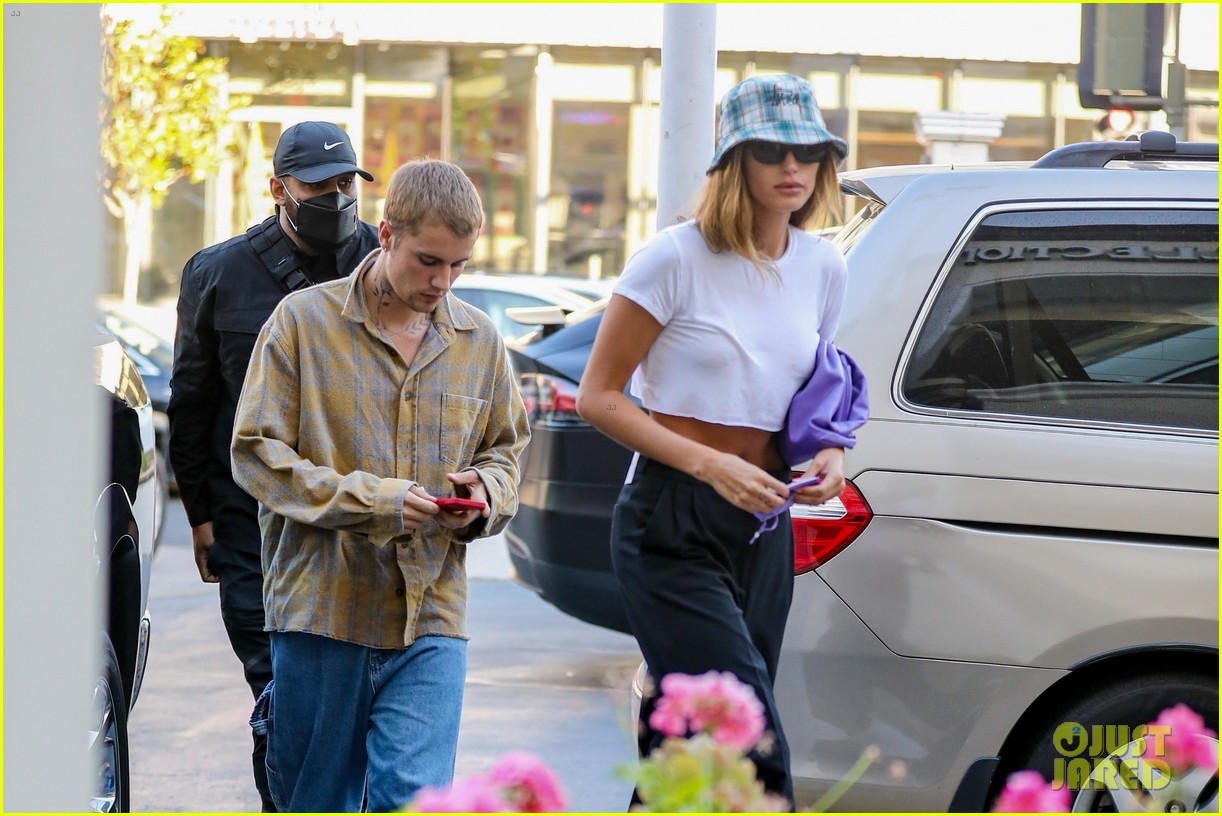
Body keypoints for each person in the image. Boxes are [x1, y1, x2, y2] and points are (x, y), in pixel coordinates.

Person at [574, 73, 851, 807]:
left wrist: (831, 454)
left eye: (810, 152)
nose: (793, 168)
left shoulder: (824, 266)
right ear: (736, 162)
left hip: (764, 524)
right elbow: (598, 397)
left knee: (686, 751)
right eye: (770, 151)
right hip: (670, 523)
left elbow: (818, 395)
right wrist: (709, 464)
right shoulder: (674, 258)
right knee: (745, 739)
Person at [230, 158, 530, 813]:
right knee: (315, 802)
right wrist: (376, 503)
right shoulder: (301, 324)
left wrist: (484, 496)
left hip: (432, 616)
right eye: (429, 261)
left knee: (414, 801)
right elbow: (255, 455)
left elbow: (507, 451)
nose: (443, 281)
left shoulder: (480, 340)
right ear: (386, 233)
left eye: (459, 266)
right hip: (321, 612)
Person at [167, 120, 380, 812]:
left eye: (346, 182)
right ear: (278, 189)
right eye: (319, 186)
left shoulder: (383, 259)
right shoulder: (217, 272)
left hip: (359, 524)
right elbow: (194, 403)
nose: (337, 197)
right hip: (250, 523)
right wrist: (199, 516)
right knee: (279, 691)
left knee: (348, 700)